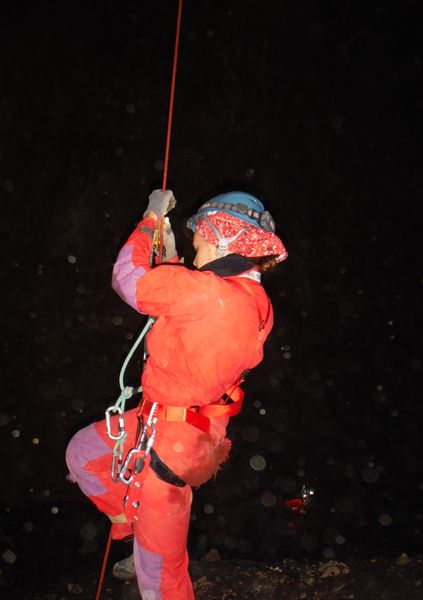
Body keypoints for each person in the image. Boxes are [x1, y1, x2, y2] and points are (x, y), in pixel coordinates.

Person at [66, 189, 287, 599]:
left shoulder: (207, 293)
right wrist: (169, 260)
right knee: (82, 454)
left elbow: (128, 278)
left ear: (221, 237)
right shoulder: (257, 303)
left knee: (161, 583)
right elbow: (192, 310)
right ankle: (131, 523)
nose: (195, 250)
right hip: (176, 427)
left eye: (199, 240)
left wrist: (150, 219)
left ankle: (145, 536)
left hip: (169, 448)